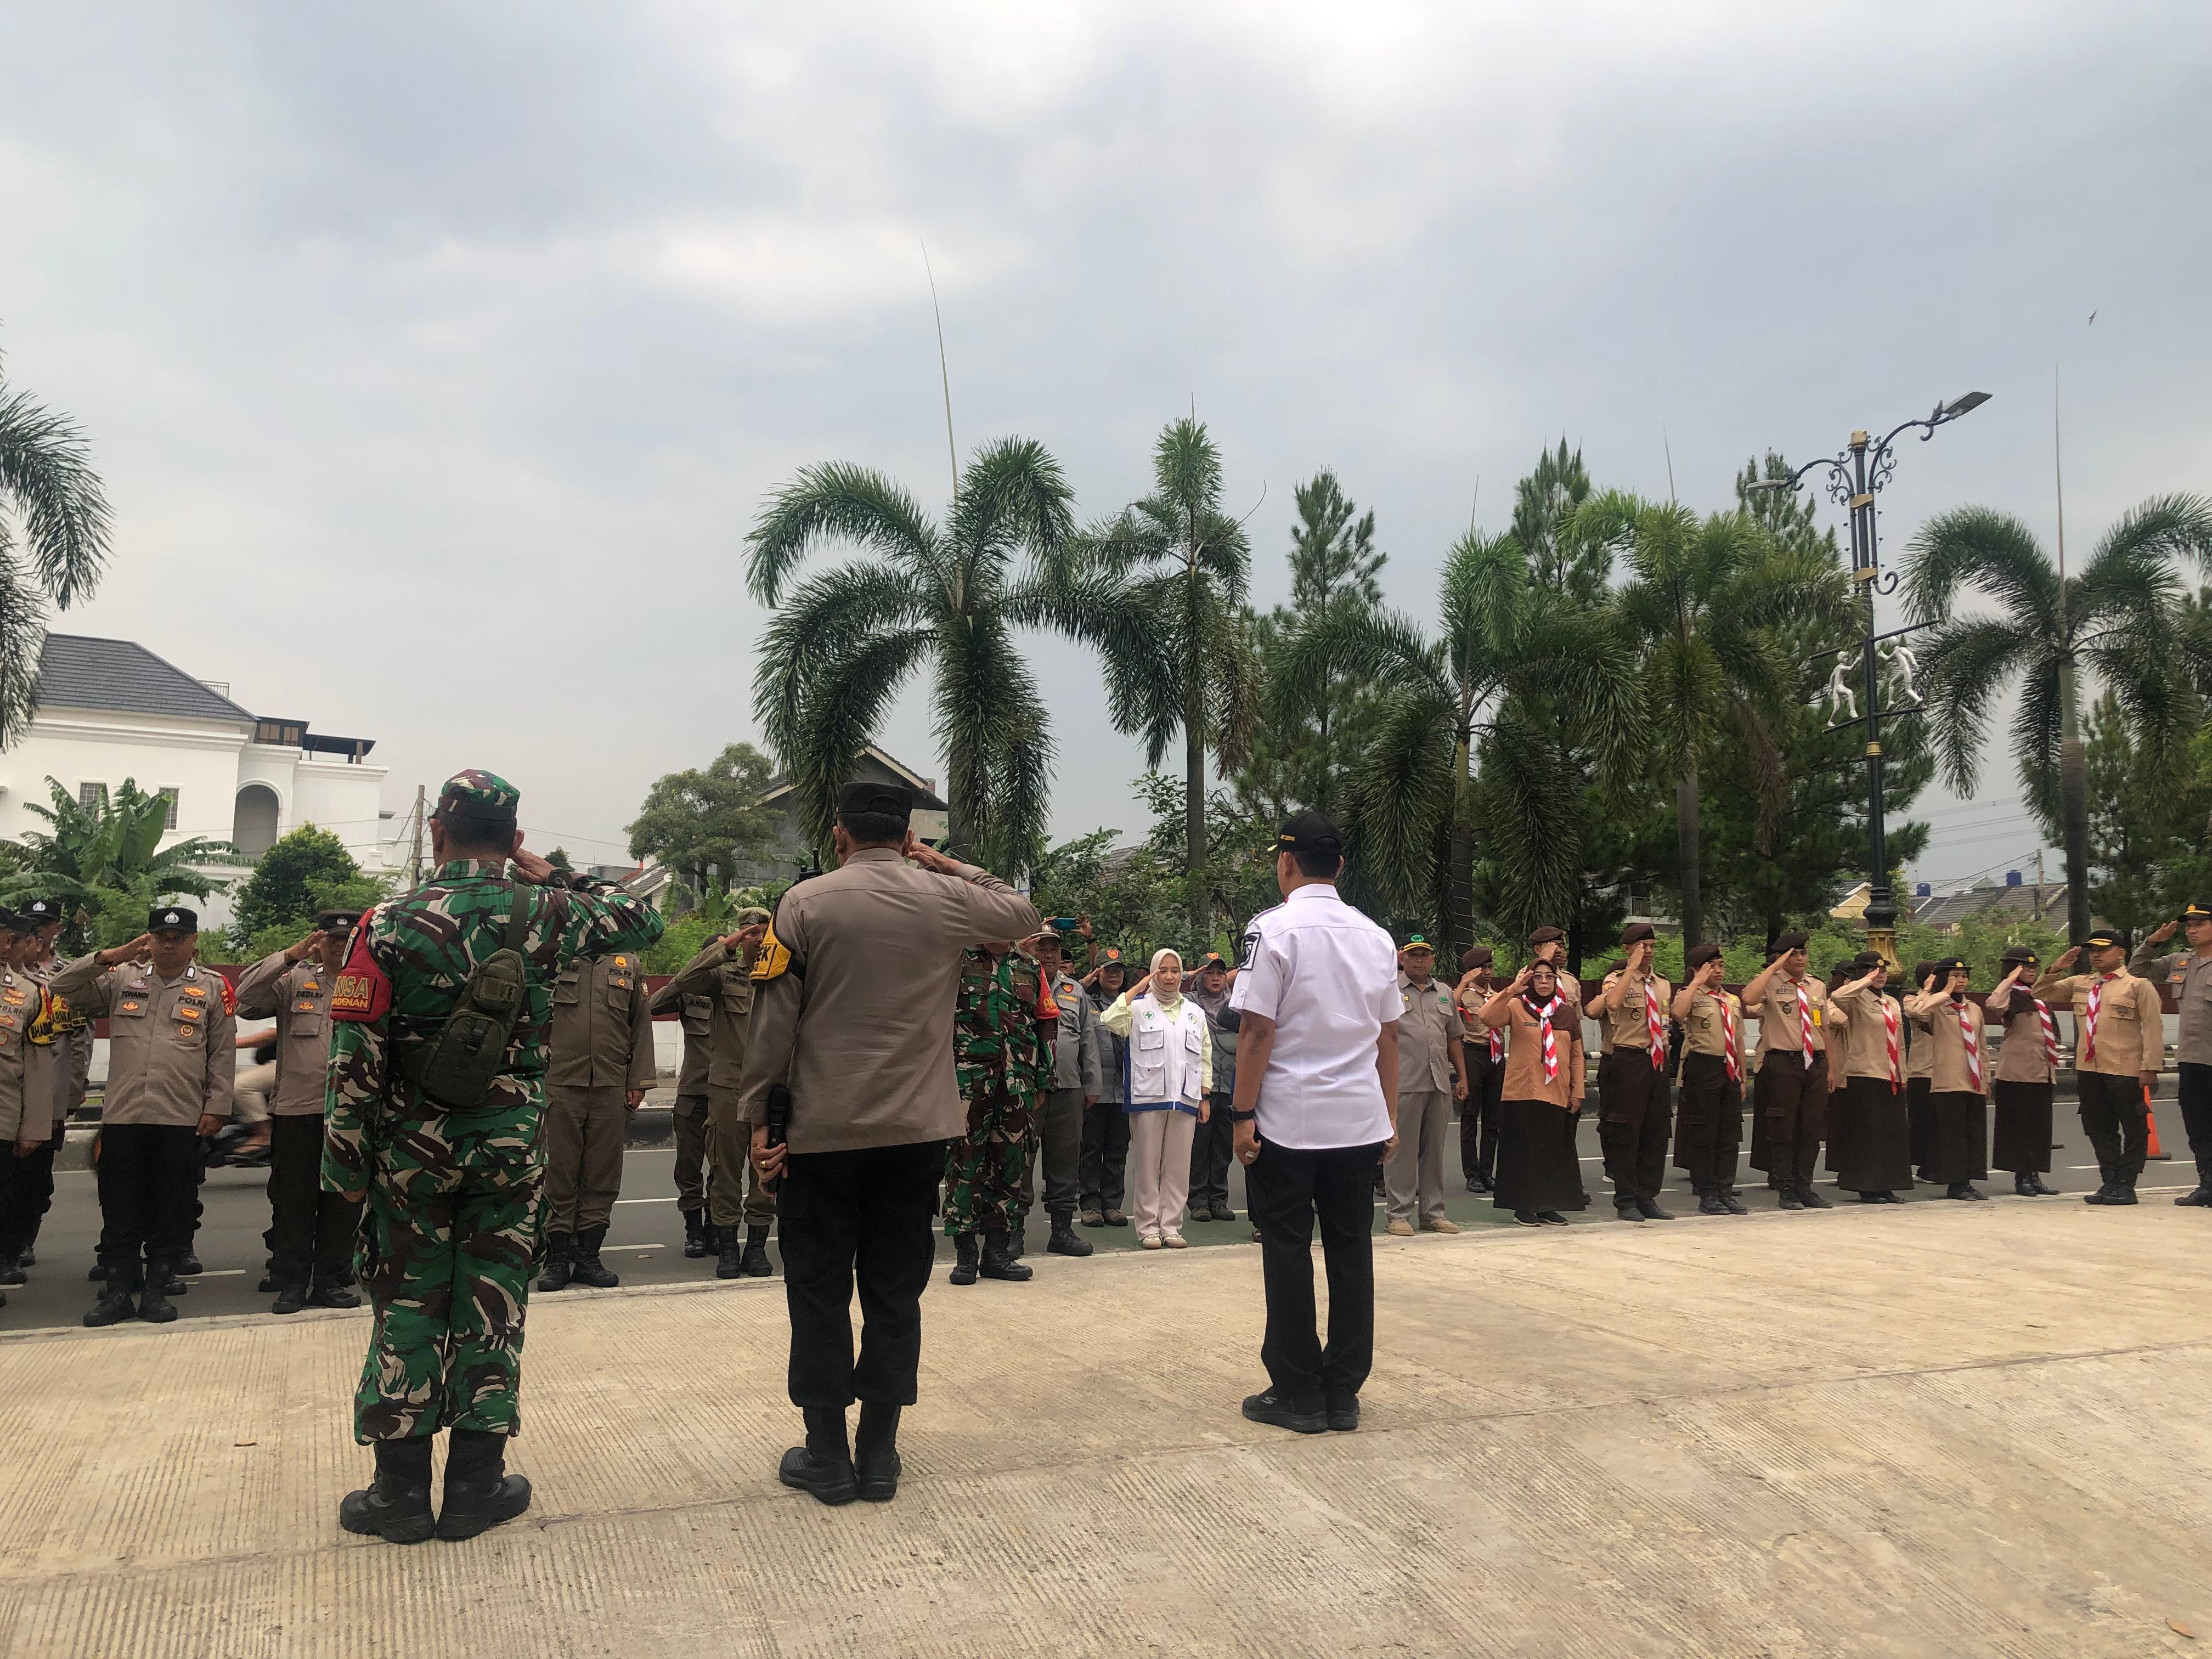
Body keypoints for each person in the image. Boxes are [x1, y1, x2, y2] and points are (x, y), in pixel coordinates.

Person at [320, 770, 664, 1545]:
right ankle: (474, 1494)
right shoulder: (547, 911)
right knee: (494, 1307)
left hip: (411, 1151)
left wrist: (345, 1167)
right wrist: (552, 875)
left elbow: (354, 1057)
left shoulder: (386, 923)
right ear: (512, 838)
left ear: (438, 829)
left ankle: (400, 1498)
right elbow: (640, 922)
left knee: (409, 1306)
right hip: (510, 1146)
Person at [741, 781, 1040, 1507]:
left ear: (839, 833)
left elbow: (774, 1023)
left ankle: (826, 1455)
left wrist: (759, 1122)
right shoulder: (942, 901)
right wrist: (944, 866)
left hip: (823, 1133)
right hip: (915, 1133)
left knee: (818, 1289)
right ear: (907, 837)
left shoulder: (805, 904)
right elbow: (1021, 912)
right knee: (894, 1292)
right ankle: (879, 1455)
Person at [1227, 813, 1400, 1436]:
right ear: (1341, 868)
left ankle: (1298, 1391)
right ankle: (1344, 1390)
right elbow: (1387, 1036)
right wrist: (1390, 1117)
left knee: (1288, 1248)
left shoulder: (1271, 931)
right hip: (1358, 1122)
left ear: (1286, 863)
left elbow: (1256, 1030)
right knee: (1353, 1250)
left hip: (1289, 1122)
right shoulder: (1375, 936)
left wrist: (1242, 1114)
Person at [53, 905, 235, 1326]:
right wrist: (108, 956)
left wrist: (218, 1107)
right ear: (148, 940)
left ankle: (157, 1289)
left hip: (180, 1117)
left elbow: (223, 1053)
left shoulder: (211, 988)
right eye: (160, 936)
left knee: (170, 1208)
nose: (169, 943)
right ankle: (118, 1292)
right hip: (124, 1116)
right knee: (119, 1207)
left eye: (178, 937)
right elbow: (62, 986)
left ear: (193, 942)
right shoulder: (121, 979)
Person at [233, 910, 363, 1313]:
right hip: (297, 1109)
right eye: (331, 939)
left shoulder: (371, 983)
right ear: (318, 941)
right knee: (293, 1201)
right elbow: (246, 999)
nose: (339, 946)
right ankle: (292, 1282)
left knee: (343, 1201)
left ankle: (329, 1281)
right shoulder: (294, 981)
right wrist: (290, 955)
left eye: (347, 939)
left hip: (352, 1112)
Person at [650, 907, 771, 1271]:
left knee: (766, 1168)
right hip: (726, 1088)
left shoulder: (780, 972)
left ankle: (757, 1246)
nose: (759, 938)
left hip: (769, 1088)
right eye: (751, 933)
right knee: (725, 1169)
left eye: (764, 931)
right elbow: (685, 981)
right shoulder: (722, 975)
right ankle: (729, 1246)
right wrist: (726, 947)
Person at [537, 944, 655, 1291]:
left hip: (611, 1085)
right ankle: (557, 1258)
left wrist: (638, 1080)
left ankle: (589, 1256)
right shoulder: (552, 956)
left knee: (602, 1174)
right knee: (558, 1172)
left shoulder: (628, 964)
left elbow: (641, 1024)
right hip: (559, 1083)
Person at [940, 935, 1056, 1284]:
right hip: (967, 1079)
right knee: (964, 1161)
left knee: (1011, 1165)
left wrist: (1044, 1079)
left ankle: (998, 1253)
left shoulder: (1029, 965)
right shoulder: (957, 959)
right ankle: (965, 1253)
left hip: (1017, 1080)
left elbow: (1045, 1023)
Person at [2034, 930, 2164, 1206]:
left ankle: (2127, 1182)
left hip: (2125, 1068)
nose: (2096, 954)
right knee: (2097, 1126)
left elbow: (2152, 1028)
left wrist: (2150, 1067)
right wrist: (2056, 968)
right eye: (2092, 949)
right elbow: (2040, 992)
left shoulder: (2138, 986)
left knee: (2134, 1127)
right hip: (2090, 1067)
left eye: (2104, 949)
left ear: (2121, 953)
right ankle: (2110, 1179)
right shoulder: (2081, 983)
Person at [1098, 950, 1212, 1248]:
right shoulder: (1137, 1008)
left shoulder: (1194, 1012)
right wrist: (1138, 988)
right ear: (1153, 973)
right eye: (1163, 970)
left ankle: (1171, 1226)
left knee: (1178, 1166)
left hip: (1185, 1098)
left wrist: (1205, 1096)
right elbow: (1109, 1019)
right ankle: (1148, 1227)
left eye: (1176, 970)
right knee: (1147, 1166)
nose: (1170, 976)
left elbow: (1204, 1056)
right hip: (1148, 1097)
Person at [1478, 957, 1588, 1227]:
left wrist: (1578, 1091)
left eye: (1549, 977)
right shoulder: (1517, 1007)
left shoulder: (1565, 1013)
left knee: (1552, 1151)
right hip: (1523, 1091)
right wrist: (1512, 989)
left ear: (1555, 981)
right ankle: (1523, 1207)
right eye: (1537, 977)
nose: (1543, 982)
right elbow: (1487, 1017)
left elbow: (1576, 1055)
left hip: (1557, 1091)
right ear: (1530, 980)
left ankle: (1547, 1205)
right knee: (1523, 1152)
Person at [1741, 932, 1845, 1210]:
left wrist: (1832, 1069)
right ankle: (1786, 1188)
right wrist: (1774, 967)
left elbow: (1823, 1028)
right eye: (1794, 955)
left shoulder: (1816, 987)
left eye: (1803, 954)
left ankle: (1805, 1187)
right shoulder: (1771, 984)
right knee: (1784, 1127)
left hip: (1815, 1061)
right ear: (1782, 957)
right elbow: (1748, 997)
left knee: (1811, 1127)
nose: (1800, 959)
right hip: (1783, 1062)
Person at [1020, 928, 1099, 1257]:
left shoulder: (1074, 990)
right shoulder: (1019, 984)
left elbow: (1086, 1038)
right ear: (1030, 952)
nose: (1049, 955)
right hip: (1027, 1090)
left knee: (1066, 1161)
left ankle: (1062, 1231)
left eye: (1054, 949)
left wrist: (1092, 1083)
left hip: (1068, 1089)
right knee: (1021, 1161)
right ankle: (1012, 1234)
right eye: (1042, 948)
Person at [1590, 924, 1673, 1222]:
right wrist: (1632, 970)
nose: (1648, 952)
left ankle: (1647, 1196)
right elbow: (1611, 1004)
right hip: (1629, 1059)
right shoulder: (1615, 980)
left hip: (1657, 1059)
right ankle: (1626, 1200)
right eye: (1642, 946)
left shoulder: (1662, 984)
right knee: (1627, 1132)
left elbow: (1665, 1020)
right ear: (1628, 949)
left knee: (1656, 1132)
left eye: (1652, 946)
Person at [1384, 934, 1465, 1237]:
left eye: (1424, 955)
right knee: (1401, 1152)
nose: (1419, 960)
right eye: (1413, 955)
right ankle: (1398, 1214)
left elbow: (1454, 1037)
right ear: (1402, 959)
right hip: (1404, 1082)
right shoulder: (1390, 991)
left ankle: (1433, 1213)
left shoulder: (1444, 993)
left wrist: (1462, 1077)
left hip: (1439, 1082)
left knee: (1434, 1152)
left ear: (1432, 959)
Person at [2131, 905, 2212, 1206]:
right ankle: (2208, 1184)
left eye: (2200, 924)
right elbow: (2137, 971)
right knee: (2198, 1126)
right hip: (2192, 1059)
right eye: (2189, 925)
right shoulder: (2180, 962)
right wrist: (2154, 942)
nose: (2192, 930)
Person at [1904, 956, 1990, 1200]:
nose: (1960, 981)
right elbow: (1916, 1010)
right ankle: (1955, 1183)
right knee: (1952, 1134)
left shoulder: (1973, 1008)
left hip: (1972, 1077)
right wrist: (1941, 991)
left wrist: (1986, 1077)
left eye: (1963, 976)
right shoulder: (1937, 1008)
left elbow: (1981, 1045)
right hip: (1947, 1079)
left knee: (1972, 1132)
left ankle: (1969, 1180)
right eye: (1954, 976)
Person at [1827, 951, 1911, 1203]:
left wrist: (1902, 1072)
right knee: (1869, 1135)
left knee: (1891, 1134)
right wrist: (1865, 981)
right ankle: (1867, 1186)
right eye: (1874, 971)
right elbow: (1837, 996)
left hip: (1891, 1073)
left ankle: (1888, 1184)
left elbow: (1900, 1041)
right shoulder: (1855, 999)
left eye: (1884, 971)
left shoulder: (1891, 1003)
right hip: (1865, 1072)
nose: (1881, 976)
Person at [1670, 943, 1747, 1215]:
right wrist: (1697, 982)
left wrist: (1743, 1078)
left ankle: (1725, 1189)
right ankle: (1707, 1193)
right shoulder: (1690, 995)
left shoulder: (1731, 1000)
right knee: (1705, 1132)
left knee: (1729, 1135)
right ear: (1697, 969)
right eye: (1712, 966)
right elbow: (1677, 1013)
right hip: (1703, 1066)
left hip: (1730, 1069)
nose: (1719, 971)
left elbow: (1738, 1039)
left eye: (1721, 965)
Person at [1984, 945, 2059, 1196]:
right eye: (2025, 967)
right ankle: (2022, 1177)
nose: (2031, 971)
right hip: (2017, 1071)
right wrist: (2010, 979)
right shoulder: (2010, 996)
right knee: (2020, 1126)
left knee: (2039, 1126)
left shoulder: (2039, 998)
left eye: (2033, 967)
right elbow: (1993, 1003)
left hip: (2042, 1070)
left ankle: (2035, 1174)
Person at [1185, 951, 1243, 1224]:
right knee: (1199, 1146)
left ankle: (1218, 1200)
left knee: (1222, 1147)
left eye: (1220, 973)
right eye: (1209, 973)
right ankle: (1197, 1201)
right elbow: (1164, 987)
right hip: (1201, 1088)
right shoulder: (1190, 1004)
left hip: (1230, 1086)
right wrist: (1191, 975)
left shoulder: (1236, 1007)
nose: (1216, 978)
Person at [1078, 950, 1132, 1227]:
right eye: (1108, 970)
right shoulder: (1085, 1002)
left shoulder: (1132, 1004)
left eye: (1118, 970)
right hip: (1094, 1091)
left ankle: (1112, 1204)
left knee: (1117, 1150)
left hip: (1123, 1092)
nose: (1114, 975)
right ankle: (1090, 1204)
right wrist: (1086, 980)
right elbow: (1069, 991)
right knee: (1091, 1149)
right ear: (1097, 973)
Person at [1454, 948, 1505, 1195]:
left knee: (1493, 1119)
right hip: (1472, 1053)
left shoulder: (1496, 995)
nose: (1487, 973)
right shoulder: (1464, 995)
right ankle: (1472, 1173)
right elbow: (1447, 1012)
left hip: (1495, 1057)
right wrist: (1464, 984)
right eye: (1482, 968)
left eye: (1490, 968)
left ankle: (1487, 1171)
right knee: (1470, 1116)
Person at [1904, 959, 1939, 1176]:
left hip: (1945, 1069)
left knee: (1940, 1122)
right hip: (1922, 1069)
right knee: (1922, 1121)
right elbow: (1919, 1012)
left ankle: (1936, 1164)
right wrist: (1927, 990)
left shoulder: (1947, 1000)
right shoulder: (1913, 999)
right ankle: (1922, 1164)